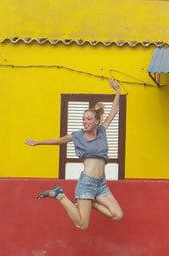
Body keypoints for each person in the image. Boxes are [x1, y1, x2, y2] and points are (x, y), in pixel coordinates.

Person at [25, 78, 124, 229]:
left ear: (97, 121)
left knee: (117, 215)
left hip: (101, 184)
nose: (85, 122)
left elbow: (114, 111)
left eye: (89, 119)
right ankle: (59, 195)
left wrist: (118, 91)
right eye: (83, 119)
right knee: (82, 225)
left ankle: (90, 203)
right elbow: (59, 141)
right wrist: (37, 142)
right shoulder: (77, 135)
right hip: (87, 183)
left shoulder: (102, 131)